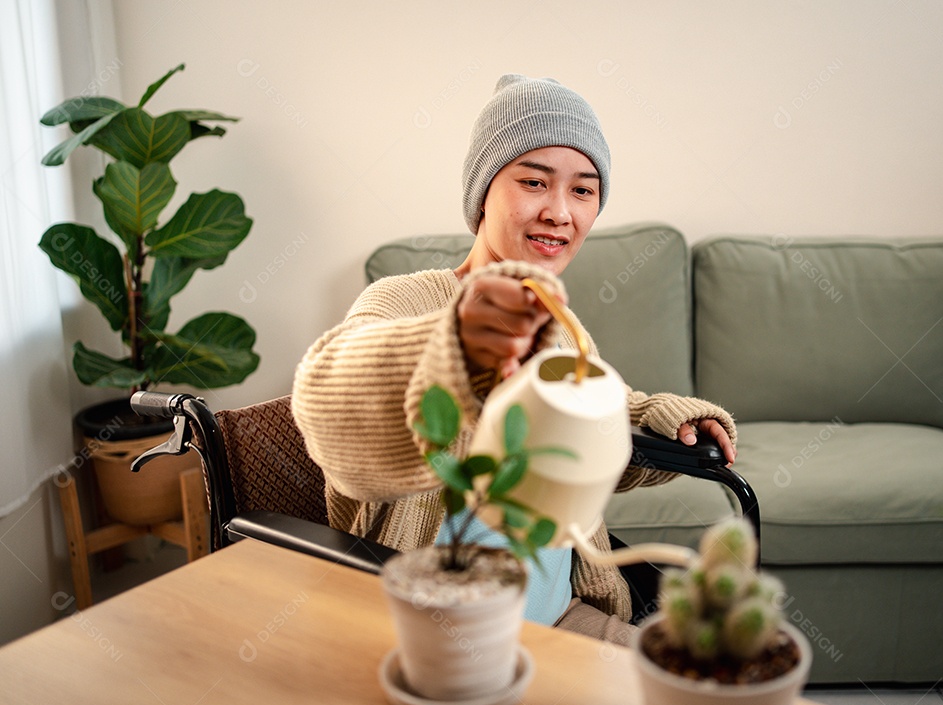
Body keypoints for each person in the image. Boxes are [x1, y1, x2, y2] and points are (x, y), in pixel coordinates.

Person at [291, 74, 737, 645]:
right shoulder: (404, 302)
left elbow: (593, 441)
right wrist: (455, 342)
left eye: (583, 190)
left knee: (707, 688)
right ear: (482, 195)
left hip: (563, 620)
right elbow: (332, 403)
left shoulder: (562, 336)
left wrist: (661, 420)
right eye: (534, 181)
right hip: (439, 633)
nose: (559, 212)